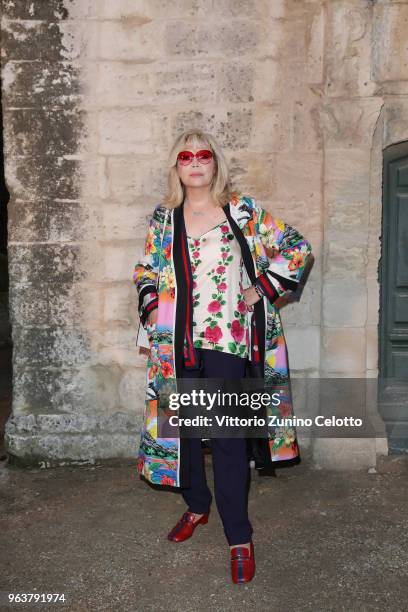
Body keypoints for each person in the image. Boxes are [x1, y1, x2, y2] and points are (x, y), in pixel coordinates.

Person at [132, 128, 313, 584]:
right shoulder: (163, 218)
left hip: (229, 341)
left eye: (203, 155)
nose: (195, 163)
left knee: (229, 440)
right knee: (183, 435)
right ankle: (197, 507)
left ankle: (239, 536)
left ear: (215, 163)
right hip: (176, 345)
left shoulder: (242, 210)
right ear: (176, 166)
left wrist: (263, 288)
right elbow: (146, 269)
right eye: (185, 156)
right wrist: (154, 309)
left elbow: (297, 249)